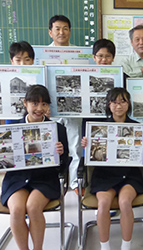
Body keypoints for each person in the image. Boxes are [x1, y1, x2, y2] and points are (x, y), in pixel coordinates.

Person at [81, 88, 143, 250]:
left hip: (130, 176)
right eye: (114, 102)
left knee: (125, 202)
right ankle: (105, 246)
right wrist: (87, 146)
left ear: (129, 104)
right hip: (104, 175)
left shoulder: (138, 128)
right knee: (103, 203)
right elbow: (90, 157)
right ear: (108, 104)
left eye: (123, 102)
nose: (118, 106)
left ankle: (126, 245)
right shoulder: (99, 128)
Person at [1, 85, 69, 250]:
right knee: (17, 210)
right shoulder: (12, 129)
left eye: (44, 104)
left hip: (45, 179)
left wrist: (60, 154)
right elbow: (4, 160)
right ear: (25, 103)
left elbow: (66, 161)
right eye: (35, 103)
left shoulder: (57, 129)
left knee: (33, 207)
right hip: (17, 178)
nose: (39, 109)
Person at [48, 15, 80, 192]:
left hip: (74, 110)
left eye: (65, 28)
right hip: (51, 110)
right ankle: (53, 185)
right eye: (57, 28)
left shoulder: (79, 54)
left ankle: (75, 184)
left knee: (75, 148)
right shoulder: (41, 55)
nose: (62, 32)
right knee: (53, 147)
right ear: (50, 32)